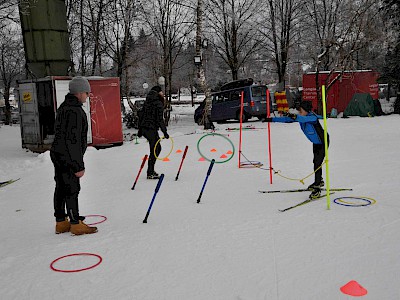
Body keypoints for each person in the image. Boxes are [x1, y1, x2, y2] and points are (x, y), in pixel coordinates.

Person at [50, 76, 97, 235]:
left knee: (61, 187)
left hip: (57, 153)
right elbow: (73, 141)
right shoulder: (75, 111)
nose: (88, 95)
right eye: (86, 92)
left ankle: (61, 221)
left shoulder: (64, 107)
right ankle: (75, 223)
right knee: (71, 188)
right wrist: (78, 165)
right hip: (67, 155)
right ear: (79, 92)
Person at [263, 101, 329, 199]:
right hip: (316, 143)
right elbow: (286, 119)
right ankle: (319, 180)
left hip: (323, 142)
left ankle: (317, 188)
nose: (299, 113)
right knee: (315, 162)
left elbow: (303, 118)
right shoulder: (301, 118)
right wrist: (271, 119)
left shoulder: (312, 118)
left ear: (306, 111)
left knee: (317, 163)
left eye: (301, 111)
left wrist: (295, 117)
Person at [138, 86, 169, 179]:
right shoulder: (158, 103)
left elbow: (141, 115)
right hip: (150, 129)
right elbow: (160, 120)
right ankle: (150, 172)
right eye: (161, 92)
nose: (163, 94)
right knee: (156, 149)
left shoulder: (148, 101)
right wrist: (165, 132)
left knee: (155, 148)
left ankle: (151, 171)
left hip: (145, 129)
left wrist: (140, 129)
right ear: (158, 92)